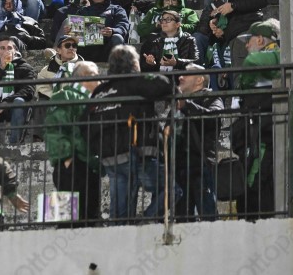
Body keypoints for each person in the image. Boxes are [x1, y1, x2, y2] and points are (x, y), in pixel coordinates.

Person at [85, 44, 176, 222]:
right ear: (134, 64)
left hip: (109, 157)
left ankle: (123, 232)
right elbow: (164, 85)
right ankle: (145, 221)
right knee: (172, 189)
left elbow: (85, 124)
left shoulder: (100, 91)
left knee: (120, 212)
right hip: (134, 152)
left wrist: (97, 149)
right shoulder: (136, 82)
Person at [232, 19, 281, 218]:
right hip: (254, 133)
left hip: (263, 134)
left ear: (260, 40)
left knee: (257, 182)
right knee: (249, 183)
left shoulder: (276, 55)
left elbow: (252, 63)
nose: (246, 45)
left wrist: (245, 82)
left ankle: (256, 222)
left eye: (249, 40)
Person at [44, 60, 102, 225]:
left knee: (90, 219)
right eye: (95, 76)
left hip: (90, 165)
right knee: (65, 220)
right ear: (84, 77)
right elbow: (54, 130)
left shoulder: (94, 100)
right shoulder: (65, 96)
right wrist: (66, 159)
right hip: (71, 164)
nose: (99, 80)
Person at [175, 63, 222, 219]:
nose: (180, 77)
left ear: (199, 80)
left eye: (186, 74)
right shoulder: (178, 102)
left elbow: (213, 119)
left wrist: (187, 105)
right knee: (181, 218)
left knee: (208, 216)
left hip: (201, 165)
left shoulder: (211, 97)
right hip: (180, 166)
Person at [0, 35, 36, 144]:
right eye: (2, 48)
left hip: (14, 106)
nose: (6, 51)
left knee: (19, 101)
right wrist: (1, 69)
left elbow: (28, 90)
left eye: (9, 48)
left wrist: (6, 102)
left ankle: (14, 143)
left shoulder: (26, 68)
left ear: (15, 50)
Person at [56, 0, 129, 63]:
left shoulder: (117, 9)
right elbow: (76, 36)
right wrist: (70, 32)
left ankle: (115, 68)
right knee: (68, 38)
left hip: (107, 50)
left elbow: (123, 26)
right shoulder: (82, 11)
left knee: (117, 37)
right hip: (87, 52)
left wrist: (112, 31)